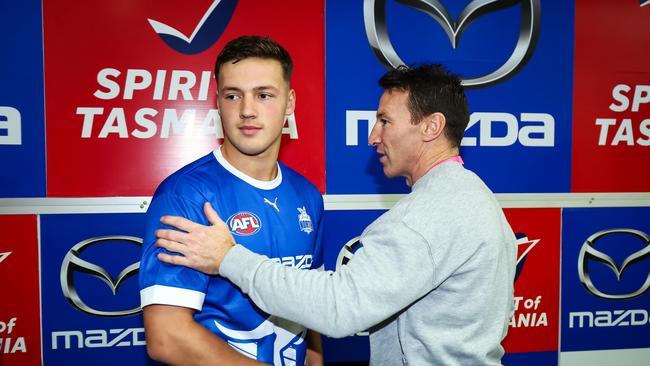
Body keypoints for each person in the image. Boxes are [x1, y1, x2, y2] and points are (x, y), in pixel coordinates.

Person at [156, 64, 517, 365]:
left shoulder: (428, 215)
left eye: (385, 121)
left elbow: (339, 306)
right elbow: (167, 336)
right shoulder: (474, 196)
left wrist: (228, 257)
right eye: (233, 95)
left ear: (431, 127)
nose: (373, 136)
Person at [139, 35, 325, 366]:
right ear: (218, 102)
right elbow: (166, 337)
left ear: (290, 102)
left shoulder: (307, 195)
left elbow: (311, 305)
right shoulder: (186, 194)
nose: (247, 111)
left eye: (264, 95)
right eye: (233, 95)